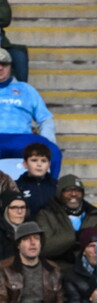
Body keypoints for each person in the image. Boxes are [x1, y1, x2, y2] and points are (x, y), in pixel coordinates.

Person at [0, 221, 64, 303]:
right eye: (26, 239)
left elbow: (60, 300)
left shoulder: (52, 269)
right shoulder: (4, 269)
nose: (33, 243)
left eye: (36, 238)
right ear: (18, 244)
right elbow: (1, 302)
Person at [0, 48, 61, 178]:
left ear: (10, 66)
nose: (0, 68)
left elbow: (45, 119)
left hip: (23, 138)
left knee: (53, 151)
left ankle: (50, 187)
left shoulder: (26, 89)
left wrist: (45, 140)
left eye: (4, 64)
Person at [35, 174, 97, 267]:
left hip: (91, 269)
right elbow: (44, 247)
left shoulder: (96, 216)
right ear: (59, 193)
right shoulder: (46, 215)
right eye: (68, 190)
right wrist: (75, 237)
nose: (74, 194)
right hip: (58, 270)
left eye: (78, 190)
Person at [15, 142, 56, 217]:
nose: (39, 164)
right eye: (34, 160)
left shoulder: (57, 186)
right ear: (25, 164)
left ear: (49, 165)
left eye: (43, 161)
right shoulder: (15, 187)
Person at [0, 190, 26, 259]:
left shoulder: (31, 228)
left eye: (23, 207)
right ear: (5, 210)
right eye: (14, 208)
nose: (20, 211)